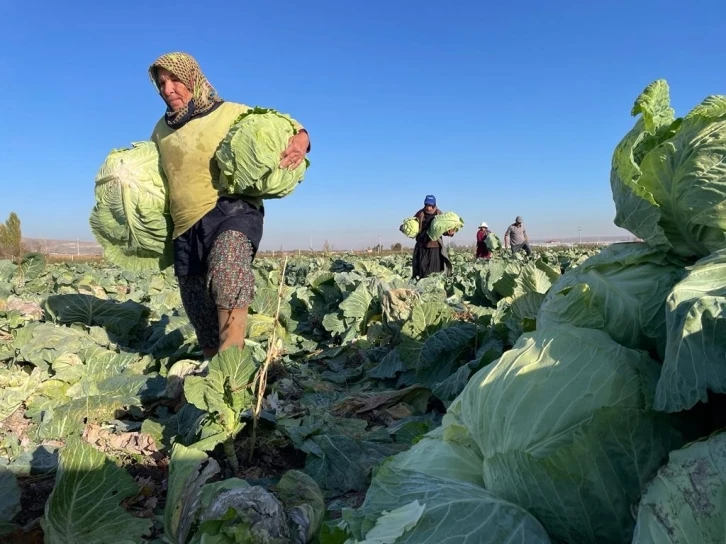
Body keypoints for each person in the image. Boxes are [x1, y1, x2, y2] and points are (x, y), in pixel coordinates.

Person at [148, 52, 310, 359]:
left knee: (228, 271)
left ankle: (234, 367)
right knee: (196, 302)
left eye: (176, 80)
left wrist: (301, 139)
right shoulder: (160, 130)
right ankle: (214, 369)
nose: (168, 89)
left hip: (231, 210)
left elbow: (285, 126)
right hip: (185, 224)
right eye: (161, 83)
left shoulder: (230, 112)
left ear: (193, 79)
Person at [412, 195, 453, 279]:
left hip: (435, 246)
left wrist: (449, 232)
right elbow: (413, 225)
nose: (429, 208)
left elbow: (444, 229)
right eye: (427, 205)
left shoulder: (439, 214)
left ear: (434, 205)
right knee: (422, 268)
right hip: (422, 245)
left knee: (435, 270)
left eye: (430, 205)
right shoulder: (420, 213)